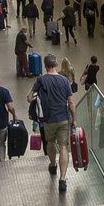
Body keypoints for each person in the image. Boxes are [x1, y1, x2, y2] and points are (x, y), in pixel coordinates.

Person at [31, 56, 77, 194]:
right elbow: (71, 102)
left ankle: (52, 165)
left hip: (48, 119)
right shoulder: (64, 81)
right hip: (63, 118)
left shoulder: (41, 80)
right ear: (56, 64)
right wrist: (74, 119)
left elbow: (29, 98)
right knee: (64, 146)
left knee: (50, 142)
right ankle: (62, 179)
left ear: (45, 66)